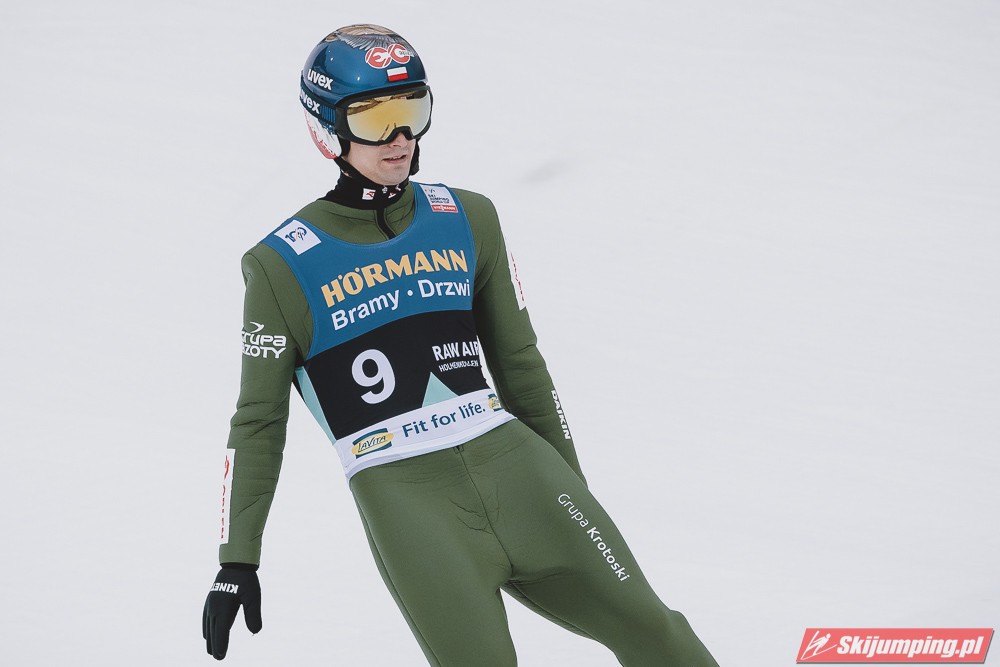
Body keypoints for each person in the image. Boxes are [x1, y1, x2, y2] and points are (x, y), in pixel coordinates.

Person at [201, 24, 719, 666]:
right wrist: (238, 559)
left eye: (412, 110)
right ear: (327, 129)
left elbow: (521, 366)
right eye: (374, 119)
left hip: (521, 474)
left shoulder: (469, 217)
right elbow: (257, 421)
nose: (400, 137)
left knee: (660, 635)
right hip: (409, 499)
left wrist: (570, 484)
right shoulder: (280, 265)